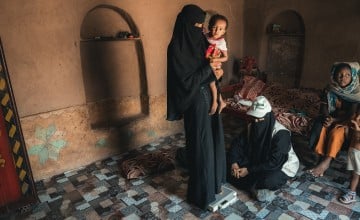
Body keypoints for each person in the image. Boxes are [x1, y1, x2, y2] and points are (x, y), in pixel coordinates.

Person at [167, 4, 226, 209]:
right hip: (195, 103)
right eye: (196, 24)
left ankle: (215, 186)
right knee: (201, 147)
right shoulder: (176, 48)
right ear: (185, 24)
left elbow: (213, 68)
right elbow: (185, 80)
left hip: (210, 98)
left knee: (214, 142)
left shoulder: (201, 40)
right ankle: (202, 195)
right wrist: (209, 70)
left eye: (202, 24)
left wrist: (218, 94)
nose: (200, 29)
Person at [228, 96, 299, 202]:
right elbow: (237, 145)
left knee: (269, 180)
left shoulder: (281, 134)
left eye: (260, 119)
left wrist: (249, 170)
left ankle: (252, 182)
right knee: (226, 159)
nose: (256, 122)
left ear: (268, 116)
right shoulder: (252, 127)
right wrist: (234, 163)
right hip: (257, 160)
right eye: (254, 118)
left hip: (280, 165)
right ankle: (253, 184)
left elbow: (274, 162)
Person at [308, 62, 360, 177]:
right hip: (332, 117)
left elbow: (351, 113)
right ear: (334, 75)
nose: (343, 78)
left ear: (353, 76)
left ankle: (326, 162)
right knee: (321, 126)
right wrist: (327, 118)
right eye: (340, 75)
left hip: (347, 119)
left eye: (348, 75)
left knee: (337, 132)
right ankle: (319, 157)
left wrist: (334, 120)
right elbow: (324, 107)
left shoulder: (356, 93)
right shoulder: (329, 89)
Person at [205, 14, 229, 115]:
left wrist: (216, 59)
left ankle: (215, 102)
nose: (216, 31)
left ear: (224, 31)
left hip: (215, 65)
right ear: (210, 27)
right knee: (212, 83)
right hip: (207, 64)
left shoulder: (221, 42)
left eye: (220, 29)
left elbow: (226, 57)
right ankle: (222, 102)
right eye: (214, 27)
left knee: (211, 83)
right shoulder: (206, 36)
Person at [339, 113, 360, 204]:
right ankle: (352, 188)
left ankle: (352, 193)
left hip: (358, 151)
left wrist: (357, 129)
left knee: (356, 175)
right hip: (354, 150)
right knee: (353, 173)